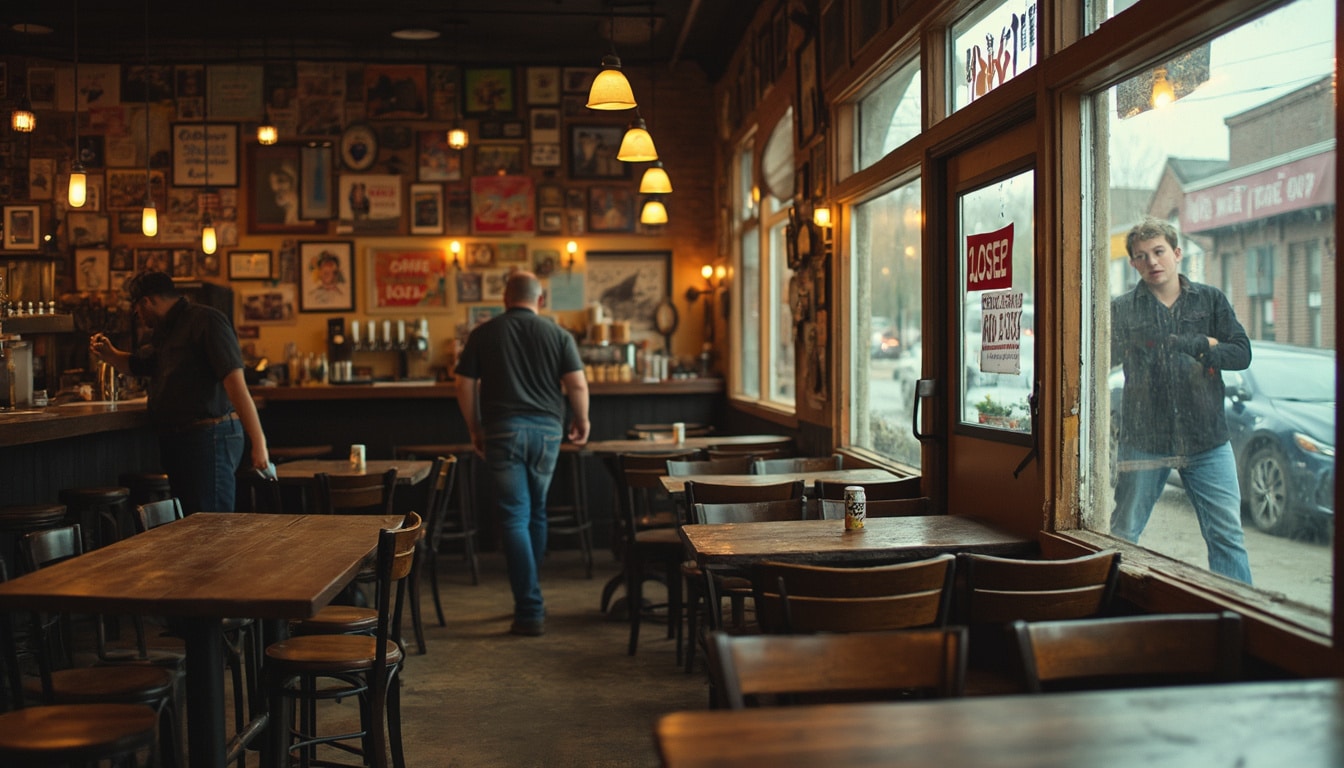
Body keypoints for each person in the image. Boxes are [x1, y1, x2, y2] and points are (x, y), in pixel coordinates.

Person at [1110, 218, 1252, 584]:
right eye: (1141, 256)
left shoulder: (1210, 300)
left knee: (1227, 537)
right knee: (1123, 533)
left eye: (1159, 252)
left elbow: (1242, 353)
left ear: (1177, 253)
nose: (1152, 262)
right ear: (1133, 264)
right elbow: (1095, 363)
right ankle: (1108, 613)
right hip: (1144, 440)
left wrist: (1206, 346)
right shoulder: (1122, 309)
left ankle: (1239, 617)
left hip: (1207, 440)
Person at [454, 271, 589, 636]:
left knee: (515, 517)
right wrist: (582, 419)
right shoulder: (559, 334)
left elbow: (464, 384)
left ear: (504, 298)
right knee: (536, 512)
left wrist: (474, 428)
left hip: (503, 430)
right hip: (547, 432)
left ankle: (529, 607)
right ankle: (531, 591)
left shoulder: (484, 333)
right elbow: (576, 383)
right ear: (540, 300)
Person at [90, 271, 270, 514]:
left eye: (137, 308)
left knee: (211, 523)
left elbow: (236, 385)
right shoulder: (165, 331)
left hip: (210, 437)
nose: (137, 315)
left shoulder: (207, 321)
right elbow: (139, 365)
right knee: (189, 524)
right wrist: (110, 355)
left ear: (146, 302)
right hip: (180, 440)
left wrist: (259, 443)